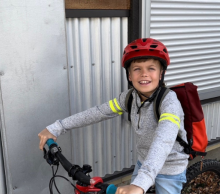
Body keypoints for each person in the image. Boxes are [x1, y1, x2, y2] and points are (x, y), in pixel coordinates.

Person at [38, 38, 189, 194]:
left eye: (151, 68)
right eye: (137, 69)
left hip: (169, 167)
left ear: (161, 73)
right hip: (145, 162)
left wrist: (140, 184)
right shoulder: (129, 98)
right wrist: (58, 127)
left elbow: (163, 141)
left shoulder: (169, 103)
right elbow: (98, 112)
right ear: (129, 75)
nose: (144, 74)